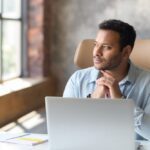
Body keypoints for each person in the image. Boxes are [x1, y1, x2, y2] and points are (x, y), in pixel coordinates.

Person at [63, 19, 150, 140]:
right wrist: (92, 101)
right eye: (95, 45)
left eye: (106, 47)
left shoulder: (148, 83)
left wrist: (122, 103)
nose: (96, 52)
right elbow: (64, 130)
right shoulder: (77, 79)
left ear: (126, 52)